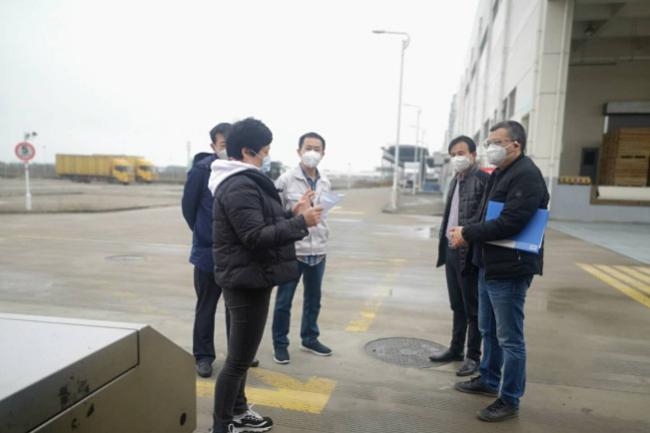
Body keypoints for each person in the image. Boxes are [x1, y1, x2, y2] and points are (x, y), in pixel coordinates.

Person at [208, 117, 323, 433]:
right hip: (246, 281)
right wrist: (301, 223)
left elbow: (259, 225)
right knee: (237, 362)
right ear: (247, 151)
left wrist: (292, 214)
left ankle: (238, 411)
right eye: (265, 150)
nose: (267, 156)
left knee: (242, 356)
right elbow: (254, 237)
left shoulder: (244, 180)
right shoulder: (240, 184)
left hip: (250, 275)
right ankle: (221, 426)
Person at [449, 121, 549, 422]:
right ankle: (489, 379)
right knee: (488, 329)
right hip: (488, 264)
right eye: (489, 142)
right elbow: (486, 215)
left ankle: (509, 398)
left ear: (515, 145)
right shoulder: (501, 173)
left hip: (510, 268)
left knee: (510, 338)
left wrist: (467, 233)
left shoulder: (526, 175)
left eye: (496, 142)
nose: (490, 147)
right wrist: (467, 232)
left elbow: (511, 223)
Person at [271, 132, 333, 364]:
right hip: (293, 250)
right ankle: (280, 344)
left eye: (317, 149)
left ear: (323, 154)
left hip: (319, 249)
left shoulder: (326, 181)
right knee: (284, 301)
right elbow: (275, 215)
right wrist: (295, 213)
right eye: (308, 148)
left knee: (313, 299)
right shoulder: (285, 180)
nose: (312, 153)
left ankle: (309, 338)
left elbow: (323, 213)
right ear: (298, 151)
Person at [430, 136, 488, 377]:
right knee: (457, 304)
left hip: (469, 251)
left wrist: (466, 236)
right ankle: (455, 349)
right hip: (451, 249)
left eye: (461, 153)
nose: (457, 158)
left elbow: (484, 218)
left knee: (472, 307)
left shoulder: (482, 180)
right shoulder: (456, 179)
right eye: (453, 154)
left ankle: (473, 356)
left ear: (473, 155)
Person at [182, 122, 235, 378]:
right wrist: (204, 233)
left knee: (235, 308)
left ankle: (237, 354)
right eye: (223, 144)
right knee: (206, 306)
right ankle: (203, 356)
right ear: (213, 146)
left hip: (235, 256)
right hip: (207, 254)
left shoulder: (239, 170)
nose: (227, 149)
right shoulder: (201, 171)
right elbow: (188, 208)